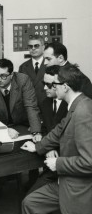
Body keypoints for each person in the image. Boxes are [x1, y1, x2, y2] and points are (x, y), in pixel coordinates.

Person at [21, 64, 92, 214]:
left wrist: (57, 163)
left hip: (79, 190)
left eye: (55, 85)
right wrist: (38, 146)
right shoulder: (76, 104)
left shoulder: (83, 112)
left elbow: (89, 162)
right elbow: (59, 130)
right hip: (66, 182)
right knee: (30, 204)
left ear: (65, 86)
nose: (52, 88)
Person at [28, 65, 68, 193]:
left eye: (50, 85)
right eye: (44, 83)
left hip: (66, 164)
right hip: (49, 164)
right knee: (31, 196)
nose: (45, 88)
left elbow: (69, 137)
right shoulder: (46, 103)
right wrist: (40, 135)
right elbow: (46, 129)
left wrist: (50, 147)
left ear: (61, 85)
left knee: (31, 199)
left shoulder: (71, 106)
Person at [0, 58, 41, 140]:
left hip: (24, 125)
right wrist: (5, 130)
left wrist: (36, 131)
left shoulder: (23, 81)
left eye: (3, 76)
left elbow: (31, 106)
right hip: (4, 127)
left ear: (12, 75)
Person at [19, 35, 47, 108]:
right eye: (30, 46)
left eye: (36, 46)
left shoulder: (50, 65)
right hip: (29, 107)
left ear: (43, 47)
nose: (33, 48)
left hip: (47, 106)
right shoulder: (23, 67)